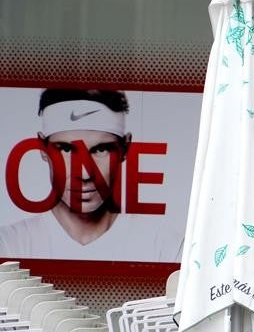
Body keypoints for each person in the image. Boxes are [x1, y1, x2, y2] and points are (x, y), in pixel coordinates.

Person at [0, 88, 182, 262]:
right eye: (66, 149)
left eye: (100, 149)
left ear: (125, 148)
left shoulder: (165, 247)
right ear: (42, 149)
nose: (85, 173)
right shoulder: (9, 245)